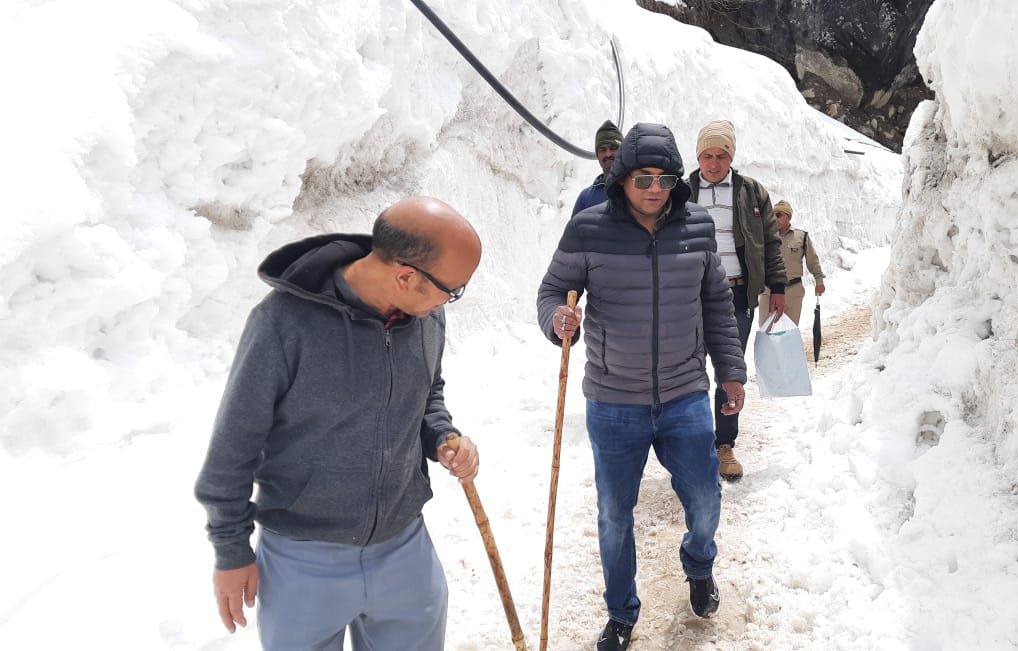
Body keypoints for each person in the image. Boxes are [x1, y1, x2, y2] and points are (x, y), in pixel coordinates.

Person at [194, 196, 483, 651]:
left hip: (405, 549)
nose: (450, 300)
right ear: (406, 277)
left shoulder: (425, 315)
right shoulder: (282, 323)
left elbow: (428, 393)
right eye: (453, 289)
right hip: (302, 561)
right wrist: (231, 551)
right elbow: (233, 447)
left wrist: (442, 435)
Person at [538, 123, 747, 651]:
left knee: (705, 498)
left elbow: (717, 304)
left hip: (684, 394)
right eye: (644, 178)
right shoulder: (588, 228)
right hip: (613, 400)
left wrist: (731, 371)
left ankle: (699, 564)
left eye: (666, 179)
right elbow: (552, 292)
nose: (655, 188)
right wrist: (559, 319)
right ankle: (620, 612)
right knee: (614, 514)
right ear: (622, 178)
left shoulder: (697, 225)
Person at [687, 119, 787, 482]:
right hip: (691, 294)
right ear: (698, 157)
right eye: (707, 156)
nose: (714, 163)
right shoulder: (682, 192)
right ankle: (693, 445)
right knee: (689, 370)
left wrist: (778, 286)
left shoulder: (751, 192)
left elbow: (771, 241)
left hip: (736, 293)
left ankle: (724, 445)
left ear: (731, 157)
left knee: (729, 371)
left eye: (721, 156)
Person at [770, 199, 825, 327]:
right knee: (766, 330)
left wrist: (819, 281)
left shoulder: (801, 236)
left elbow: (812, 261)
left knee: (790, 331)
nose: (775, 218)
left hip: (793, 291)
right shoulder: (766, 237)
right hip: (769, 291)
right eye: (773, 215)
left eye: (779, 215)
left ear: (789, 216)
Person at [572, 120, 624, 215]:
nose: (608, 154)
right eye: (602, 149)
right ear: (597, 155)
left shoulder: (636, 188)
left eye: (613, 148)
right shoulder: (585, 198)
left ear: (623, 151)